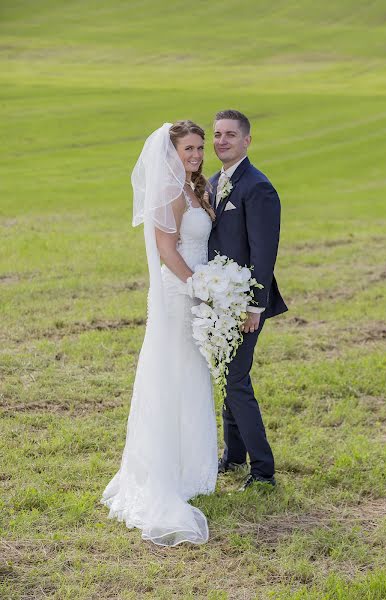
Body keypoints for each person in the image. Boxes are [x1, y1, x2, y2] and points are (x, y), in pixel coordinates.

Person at [100, 121, 218, 546]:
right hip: (179, 295)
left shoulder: (194, 189)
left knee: (192, 375)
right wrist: (201, 288)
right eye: (189, 148)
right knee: (174, 375)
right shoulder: (170, 193)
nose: (197, 155)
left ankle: (194, 466)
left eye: (200, 148)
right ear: (171, 152)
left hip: (196, 291)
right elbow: (168, 253)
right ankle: (170, 471)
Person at [208, 109, 288, 491]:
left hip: (246, 306)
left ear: (246, 141)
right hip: (220, 304)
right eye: (217, 134)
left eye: (229, 135)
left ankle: (263, 471)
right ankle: (233, 455)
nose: (221, 140)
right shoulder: (214, 181)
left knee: (236, 379)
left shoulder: (258, 187)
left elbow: (263, 252)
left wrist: (254, 305)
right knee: (228, 376)